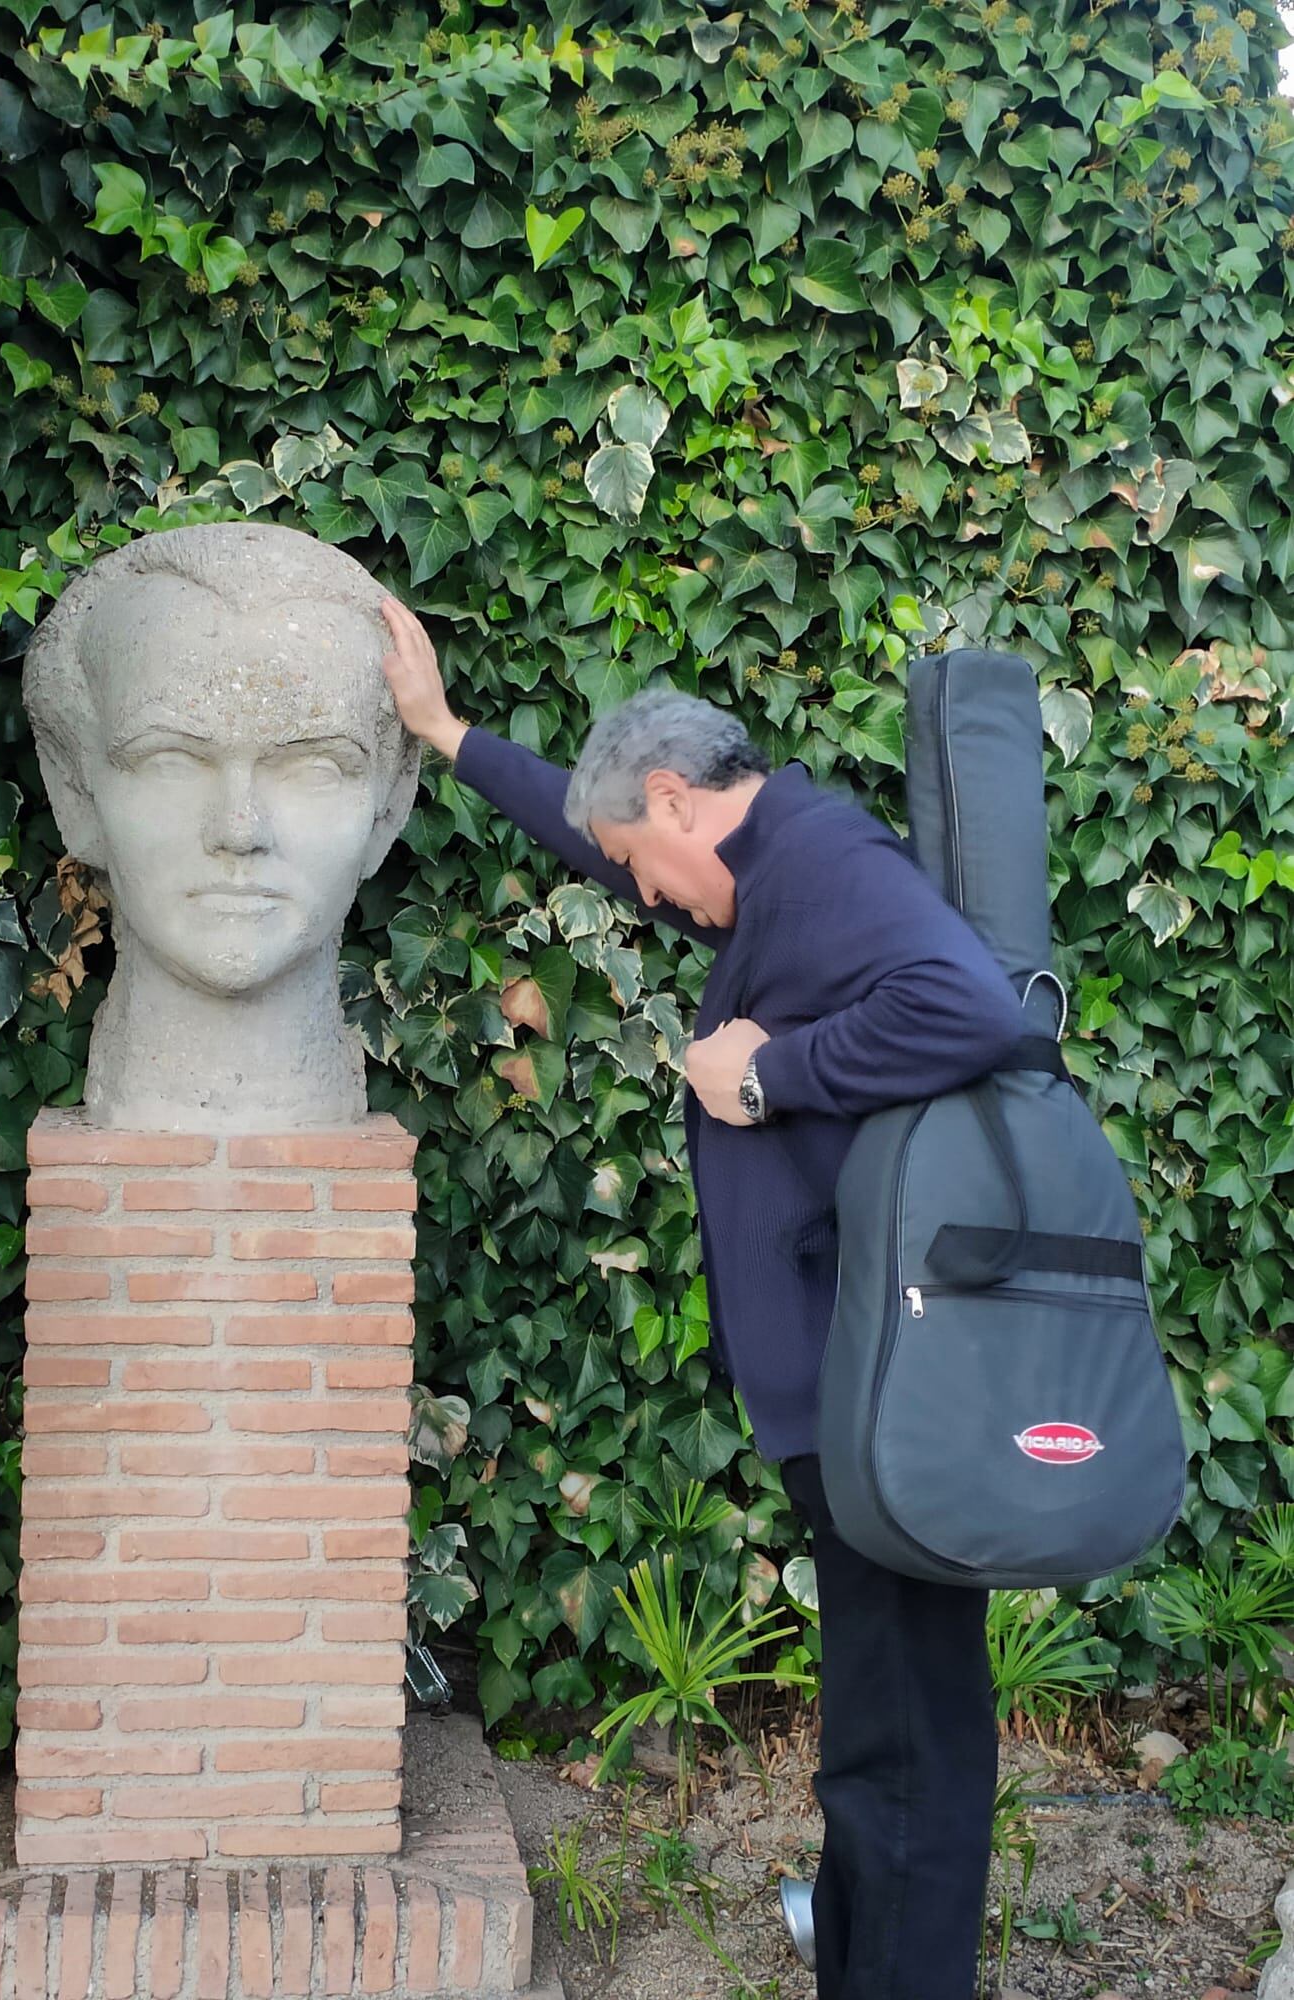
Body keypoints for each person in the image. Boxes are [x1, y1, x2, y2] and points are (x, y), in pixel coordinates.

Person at [378, 596, 1026, 2000]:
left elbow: (973, 1009)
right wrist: (449, 738)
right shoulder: (765, 861)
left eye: (639, 864)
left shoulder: (821, 856)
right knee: (878, 1718)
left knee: (905, 1729)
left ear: (678, 798)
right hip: (858, 1390)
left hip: (885, 1392)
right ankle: (862, 1957)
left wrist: (764, 1077)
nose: (644, 900)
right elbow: (596, 828)